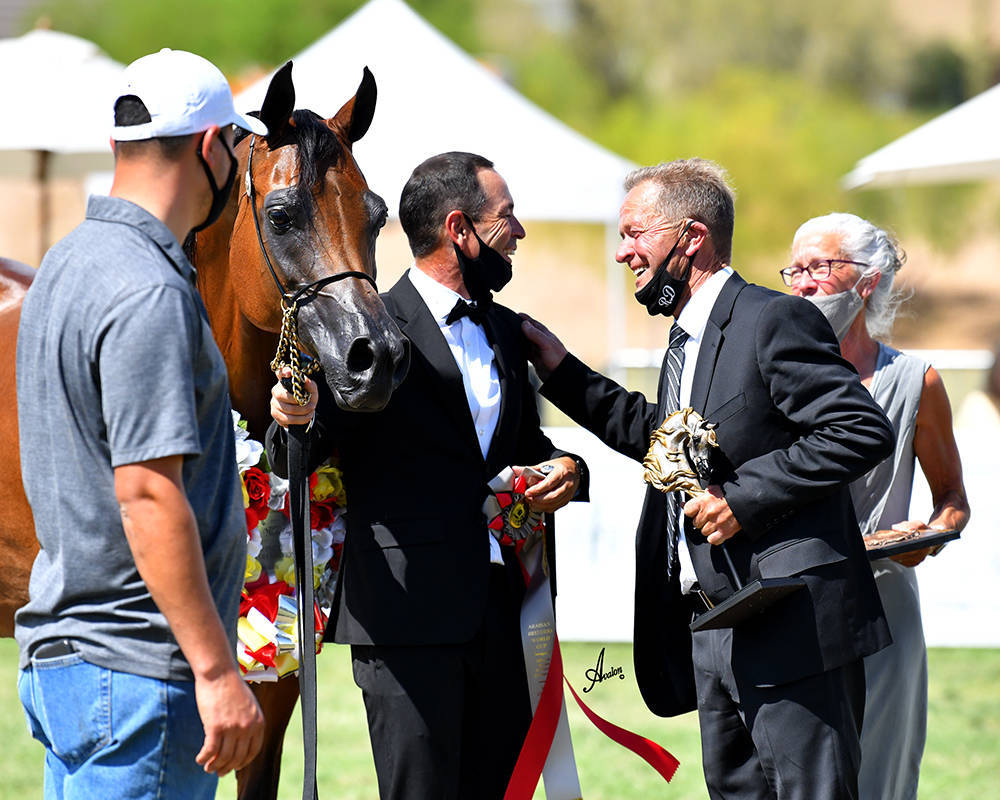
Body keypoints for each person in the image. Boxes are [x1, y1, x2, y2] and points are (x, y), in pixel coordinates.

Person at [521, 158, 895, 800]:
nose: (622, 253)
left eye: (636, 233)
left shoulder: (772, 318)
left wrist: (743, 501)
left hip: (791, 625)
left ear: (690, 237)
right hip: (713, 625)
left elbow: (860, 430)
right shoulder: (686, 338)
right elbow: (665, 443)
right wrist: (561, 371)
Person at [267, 151, 586, 800]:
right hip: (405, 622)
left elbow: (525, 445)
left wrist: (568, 468)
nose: (519, 232)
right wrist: (292, 419)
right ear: (458, 228)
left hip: (505, 616)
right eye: (508, 217)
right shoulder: (368, 326)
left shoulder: (505, 330)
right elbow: (303, 447)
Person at [15, 49, 268, 799]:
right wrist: (217, 669)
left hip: (75, 659)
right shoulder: (147, 288)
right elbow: (148, 494)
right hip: (137, 670)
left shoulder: (66, 263)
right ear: (209, 147)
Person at [786, 213, 970, 800]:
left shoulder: (918, 381)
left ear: (867, 281)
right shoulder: (771, 376)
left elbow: (952, 502)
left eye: (819, 267)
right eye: (795, 269)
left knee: (882, 780)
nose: (802, 284)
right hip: (794, 603)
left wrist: (925, 537)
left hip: (886, 605)